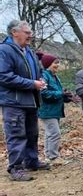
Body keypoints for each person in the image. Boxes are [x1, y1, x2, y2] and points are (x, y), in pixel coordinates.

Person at [0, 20, 49, 181]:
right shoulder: (4, 50)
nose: (30, 35)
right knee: (16, 134)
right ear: (15, 32)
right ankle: (16, 167)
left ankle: (32, 161)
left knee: (32, 133)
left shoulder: (29, 51)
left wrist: (40, 79)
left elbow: (38, 70)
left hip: (31, 100)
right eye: (27, 32)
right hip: (13, 102)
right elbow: (4, 76)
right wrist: (31, 84)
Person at [38, 52, 78, 165]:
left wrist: (68, 98)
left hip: (55, 110)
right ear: (48, 64)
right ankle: (53, 157)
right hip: (47, 110)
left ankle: (49, 156)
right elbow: (44, 93)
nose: (58, 65)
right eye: (56, 63)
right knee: (55, 133)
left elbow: (58, 94)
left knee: (49, 134)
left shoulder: (55, 77)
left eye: (58, 63)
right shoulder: (44, 76)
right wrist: (61, 93)